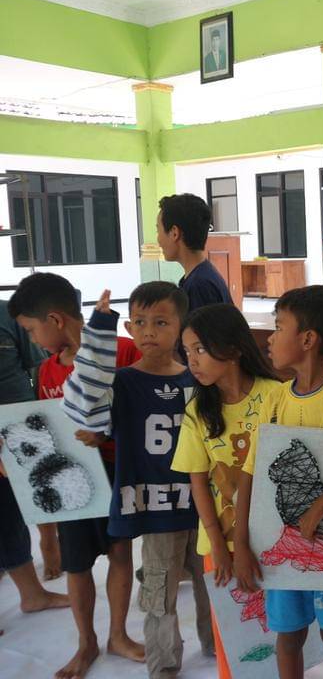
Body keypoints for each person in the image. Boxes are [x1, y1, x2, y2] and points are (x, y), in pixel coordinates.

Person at [62, 283, 215, 678]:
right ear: (128, 328)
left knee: (212, 582)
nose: (149, 331)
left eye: (161, 322)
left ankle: (220, 645)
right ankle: (163, 663)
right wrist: (99, 328)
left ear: (181, 327)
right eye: (141, 322)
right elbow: (88, 406)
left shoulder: (199, 380)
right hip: (157, 508)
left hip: (204, 506)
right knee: (159, 591)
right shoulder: (121, 383)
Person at [8, 272, 145, 679]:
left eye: (32, 330)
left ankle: (118, 635)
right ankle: (87, 642)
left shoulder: (124, 351)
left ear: (55, 319)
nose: (33, 340)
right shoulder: (47, 372)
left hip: (117, 470)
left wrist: (108, 432)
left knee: (120, 552)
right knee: (78, 563)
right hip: (73, 484)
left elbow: (144, 410)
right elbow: (46, 430)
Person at [234, 285, 323, 679]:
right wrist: (241, 543)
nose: (270, 338)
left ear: (308, 339)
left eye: (279, 328)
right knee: (288, 634)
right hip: (281, 541)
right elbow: (251, 474)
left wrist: (322, 504)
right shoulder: (275, 400)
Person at [171, 303, 281, 679]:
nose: (192, 361)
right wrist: (218, 544)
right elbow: (198, 481)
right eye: (187, 351)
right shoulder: (197, 412)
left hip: (274, 539)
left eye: (200, 349)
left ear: (232, 348)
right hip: (221, 543)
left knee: (282, 633)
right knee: (237, 642)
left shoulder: (275, 396)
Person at [0, 298, 69, 626]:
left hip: (18, 429)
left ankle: (32, 593)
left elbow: (39, 367)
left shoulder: (6, 314)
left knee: (12, 508)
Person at [157, 194, 231, 310]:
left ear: (174, 233)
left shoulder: (199, 286)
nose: (158, 240)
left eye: (158, 230)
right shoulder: (201, 276)